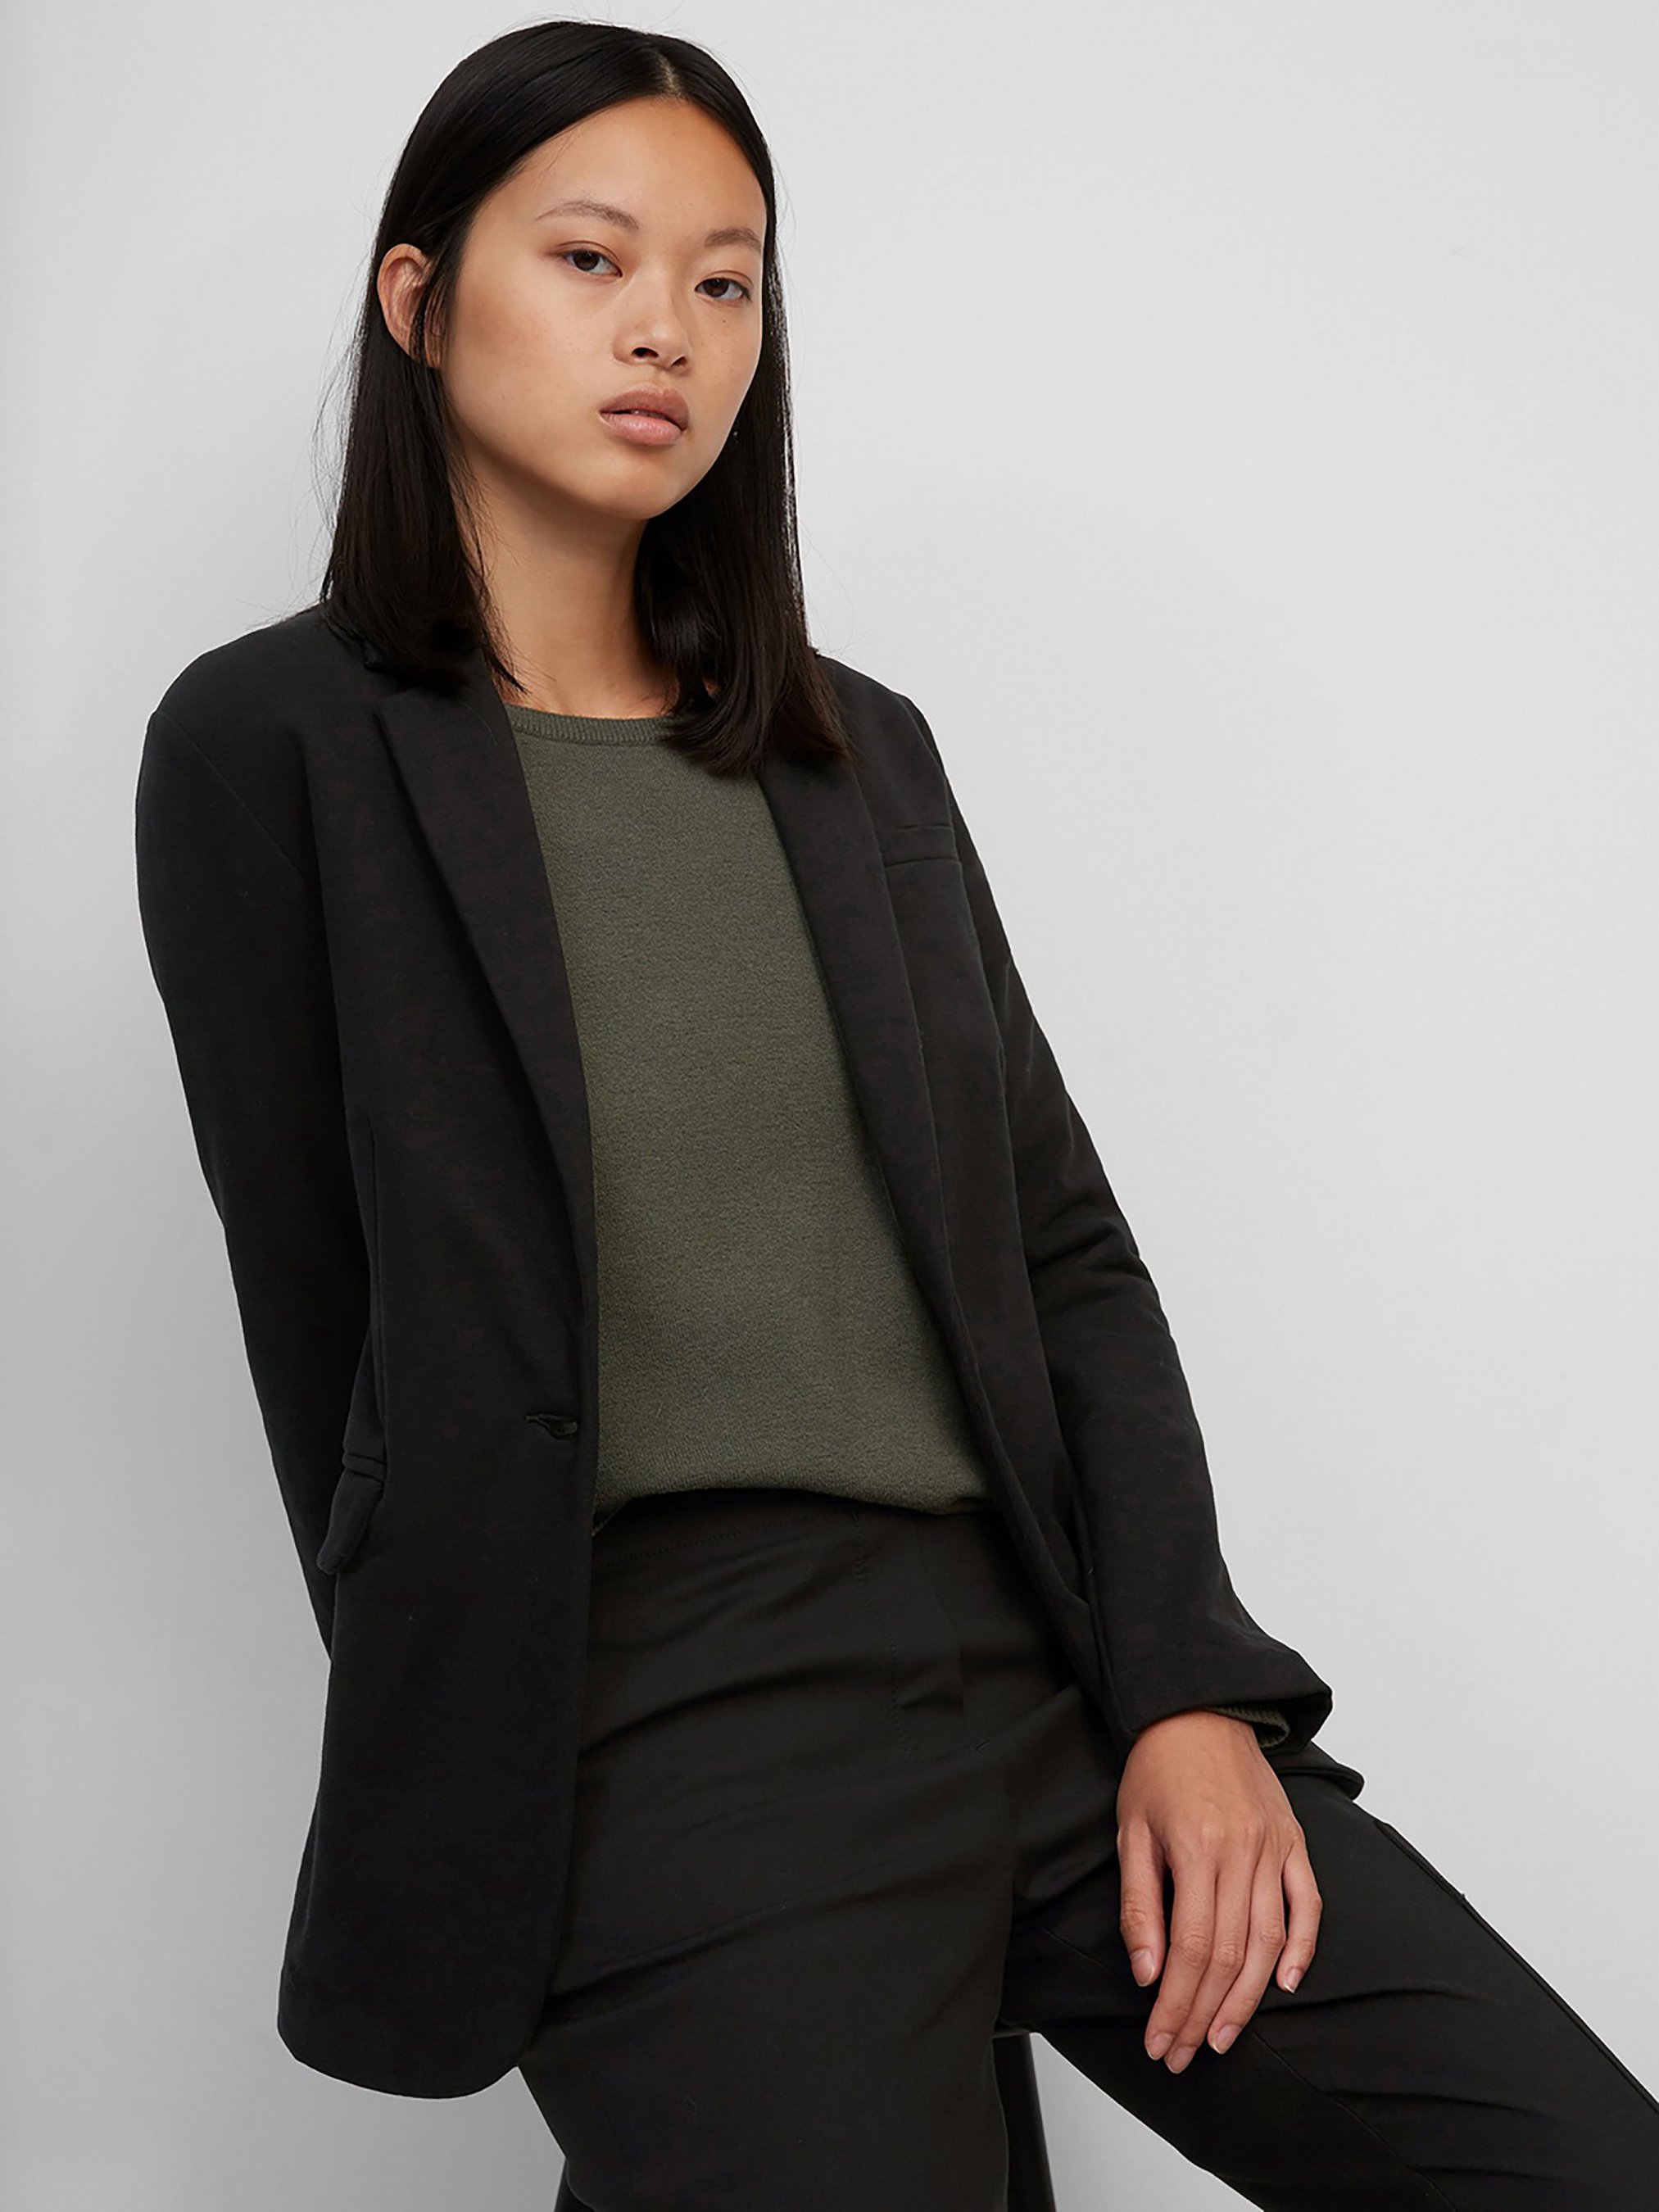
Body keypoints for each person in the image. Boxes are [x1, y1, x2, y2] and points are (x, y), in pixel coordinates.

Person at [133, 20, 1658, 2209]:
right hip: (667, 1716)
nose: (666, 327)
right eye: (590, 257)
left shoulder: (856, 755)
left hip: (1045, 1666)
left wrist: (1189, 1693)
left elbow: (1060, 1248)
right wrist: (500, 1780)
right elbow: (326, 1324)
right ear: (418, 300)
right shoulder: (272, 746)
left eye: (727, 280)